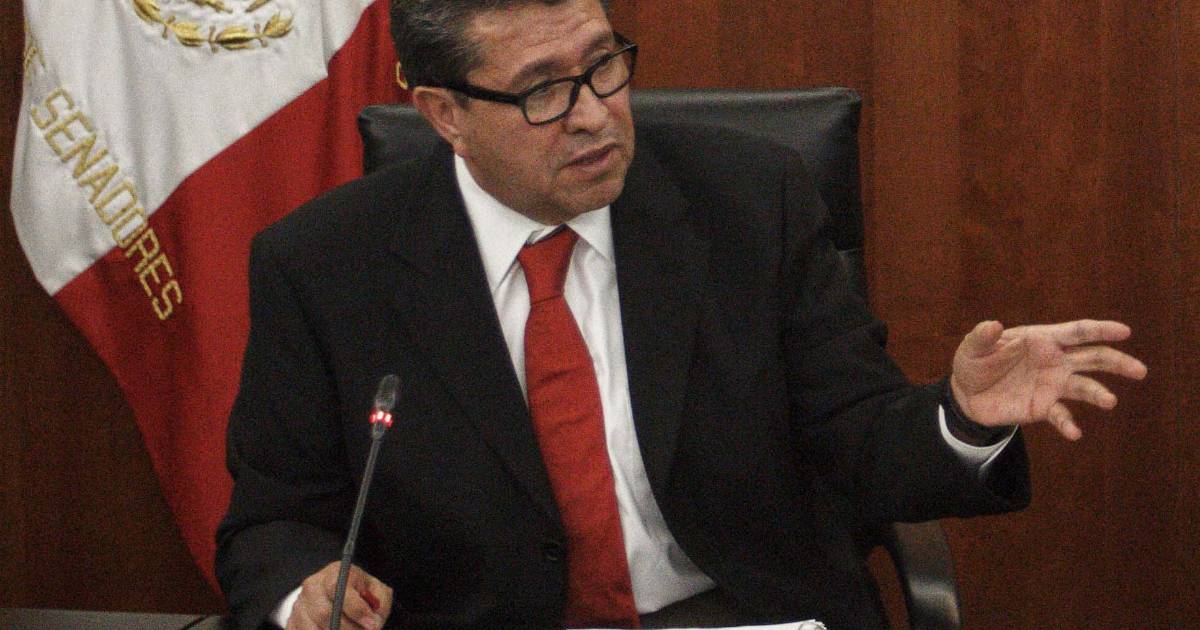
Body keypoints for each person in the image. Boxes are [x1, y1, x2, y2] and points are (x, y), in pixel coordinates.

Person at [215, 0, 1148, 628]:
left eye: (604, 66)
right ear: (443, 113)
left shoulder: (749, 200)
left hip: (740, 616)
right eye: (544, 91)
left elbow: (855, 437)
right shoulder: (323, 266)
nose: (594, 115)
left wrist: (962, 416)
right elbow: (274, 521)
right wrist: (307, 592)